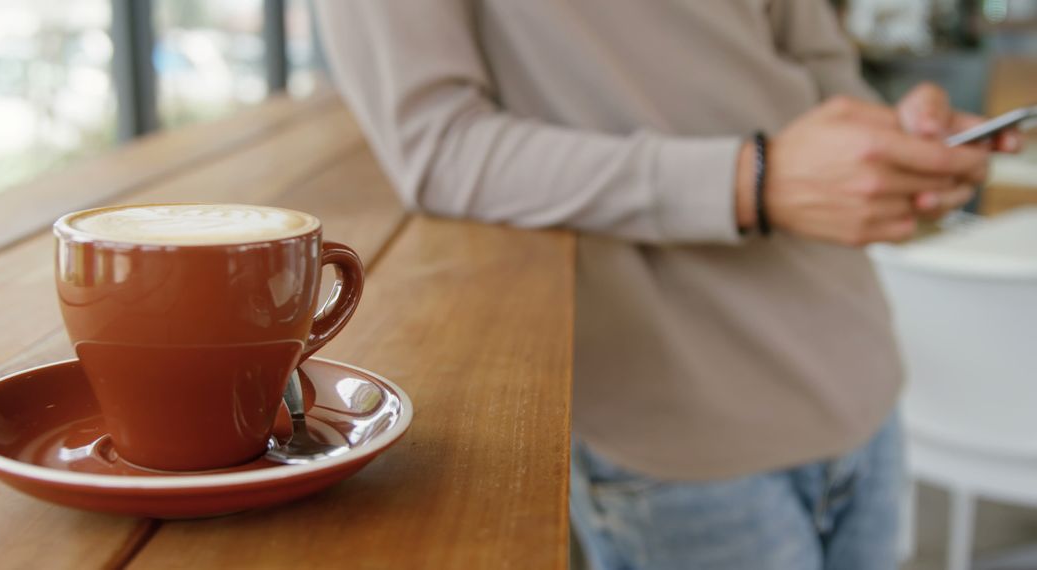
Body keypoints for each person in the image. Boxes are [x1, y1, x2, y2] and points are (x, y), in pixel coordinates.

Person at [318, 2, 1021, 569]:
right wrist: (752, 181)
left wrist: (899, 135)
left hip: (859, 372)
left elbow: (819, 66)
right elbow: (441, 150)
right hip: (677, 425)